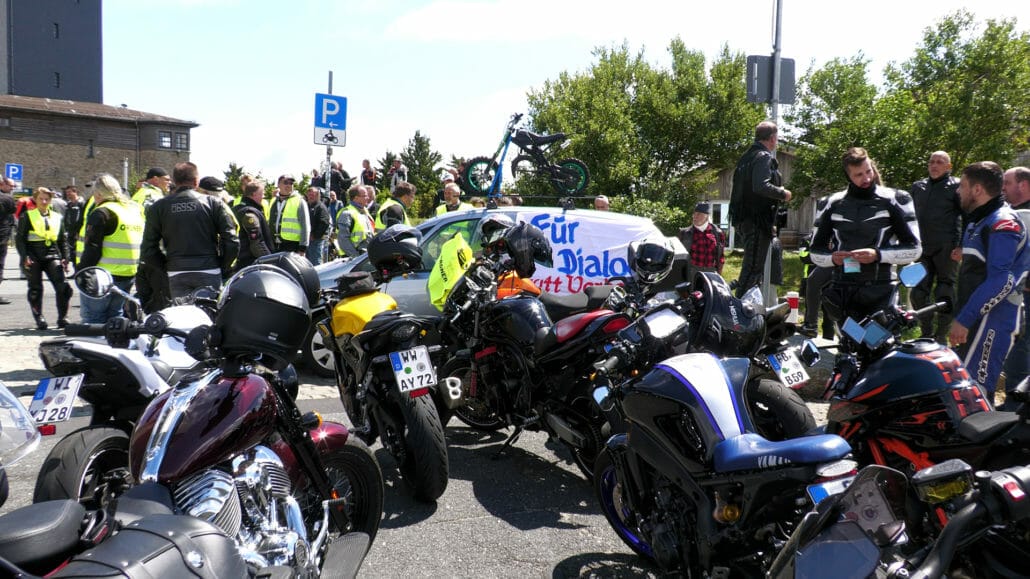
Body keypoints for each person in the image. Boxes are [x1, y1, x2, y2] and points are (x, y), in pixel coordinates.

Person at [809, 147, 922, 327]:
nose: (866, 178)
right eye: (858, 175)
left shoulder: (897, 199)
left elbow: (915, 249)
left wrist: (877, 254)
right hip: (843, 291)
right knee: (849, 349)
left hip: (882, 291)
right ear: (848, 176)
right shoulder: (830, 203)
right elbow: (814, 252)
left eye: (868, 171)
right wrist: (832, 259)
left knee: (879, 347)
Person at [948, 162, 1030, 398]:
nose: (957, 191)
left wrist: (964, 319)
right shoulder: (978, 220)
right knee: (965, 391)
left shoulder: (1003, 221)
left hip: (995, 319)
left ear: (977, 190)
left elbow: (1003, 280)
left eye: (962, 185)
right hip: (976, 318)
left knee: (977, 394)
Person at [140, 162, 239, 298]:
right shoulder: (213, 203)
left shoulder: (159, 207)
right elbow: (232, 240)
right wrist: (222, 265)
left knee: (181, 315)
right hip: (209, 268)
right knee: (209, 314)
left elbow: (148, 248)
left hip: (176, 270)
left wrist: (166, 266)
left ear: (174, 181)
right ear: (196, 181)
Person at [729, 121, 792, 298]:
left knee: (750, 268)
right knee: (753, 270)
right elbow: (760, 186)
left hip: (743, 220)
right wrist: (783, 193)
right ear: (772, 138)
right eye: (777, 138)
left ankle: (743, 307)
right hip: (756, 221)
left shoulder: (745, 157)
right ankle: (739, 314)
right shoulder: (763, 156)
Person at [909, 151, 963, 343]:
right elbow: (908, 217)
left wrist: (961, 246)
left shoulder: (956, 186)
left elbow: (965, 215)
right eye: (932, 161)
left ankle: (941, 336)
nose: (934, 165)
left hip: (947, 247)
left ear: (948, 167)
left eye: (940, 162)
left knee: (944, 292)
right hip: (922, 247)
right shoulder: (918, 186)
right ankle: (926, 333)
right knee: (918, 292)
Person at [76, 174, 144, 323]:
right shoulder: (134, 210)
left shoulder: (102, 212)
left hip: (102, 275)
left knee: (93, 320)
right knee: (116, 320)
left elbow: (93, 248)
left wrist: (81, 271)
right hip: (127, 274)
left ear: (99, 194)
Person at [15, 187, 72, 329]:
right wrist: (24, 256)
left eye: (47, 199)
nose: (44, 201)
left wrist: (66, 257)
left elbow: (62, 240)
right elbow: (20, 239)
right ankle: (39, 317)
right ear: (35, 200)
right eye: (41, 199)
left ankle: (63, 318)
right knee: (36, 288)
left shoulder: (57, 217)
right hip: (33, 255)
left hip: (52, 254)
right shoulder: (27, 216)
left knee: (63, 287)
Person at [1001, 166, 1030, 399]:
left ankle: (1015, 405)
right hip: (1017, 291)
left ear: (1023, 184)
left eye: (1007, 183)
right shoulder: (1010, 212)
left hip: (1025, 291)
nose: (1003, 188)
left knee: (1020, 345)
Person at [233, 181, 274, 271]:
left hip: (239, 261)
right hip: (250, 263)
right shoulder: (249, 213)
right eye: (262, 193)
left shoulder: (236, 209)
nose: (264, 197)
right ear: (254, 194)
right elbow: (257, 243)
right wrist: (269, 263)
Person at [678, 202, 725, 281]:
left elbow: (721, 258)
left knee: (709, 293)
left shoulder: (718, 233)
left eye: (699, 214)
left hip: (711, 272)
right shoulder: (684, 233)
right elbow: (679, 257)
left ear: (706, 216)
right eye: (694, 214)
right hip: (691, 272)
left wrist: (719, 276)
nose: (695, 216)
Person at [268, 174, 311, 255]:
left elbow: (305, 226)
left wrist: (303, 248)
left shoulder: (300, 201)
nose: (289, 185)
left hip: (292, 246)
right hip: (273, 245)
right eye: (286, 182)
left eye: (291, 183)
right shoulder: (273, 201)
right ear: (278, 185)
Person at [337, 185, 374, 258]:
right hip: (352, 258)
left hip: (364, 256)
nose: (368, 198)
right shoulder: (347, 213)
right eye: (365, 196)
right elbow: (343, 239)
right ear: (356, 198)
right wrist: (356, 257)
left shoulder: (364, 211)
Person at [0, 177, 18, 304]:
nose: (12, 189)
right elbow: (13, 210)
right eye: (11, 186)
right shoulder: (7, 199)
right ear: (2, 184)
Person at [305, 186, 332, 265]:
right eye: (309, 195)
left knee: (315, 262)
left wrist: (315, 235)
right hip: (307, 239)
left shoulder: (320, 207)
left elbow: (324, 223)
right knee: (307, 262)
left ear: (318, 196)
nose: (310, 197)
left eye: (313, 195)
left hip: (316, 240)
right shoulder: (308, 205)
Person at [61, 185, 85, 267]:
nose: (67, 194)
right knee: (71, 252)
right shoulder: (69, 205)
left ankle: (79, 269)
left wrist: (79, 231)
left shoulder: (82, 204)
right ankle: (75, 270)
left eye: (69, 192)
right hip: (70, 232)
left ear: (75, 192)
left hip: (78, 233)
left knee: (77, 252)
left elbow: (83, 219)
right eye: (66, 192)